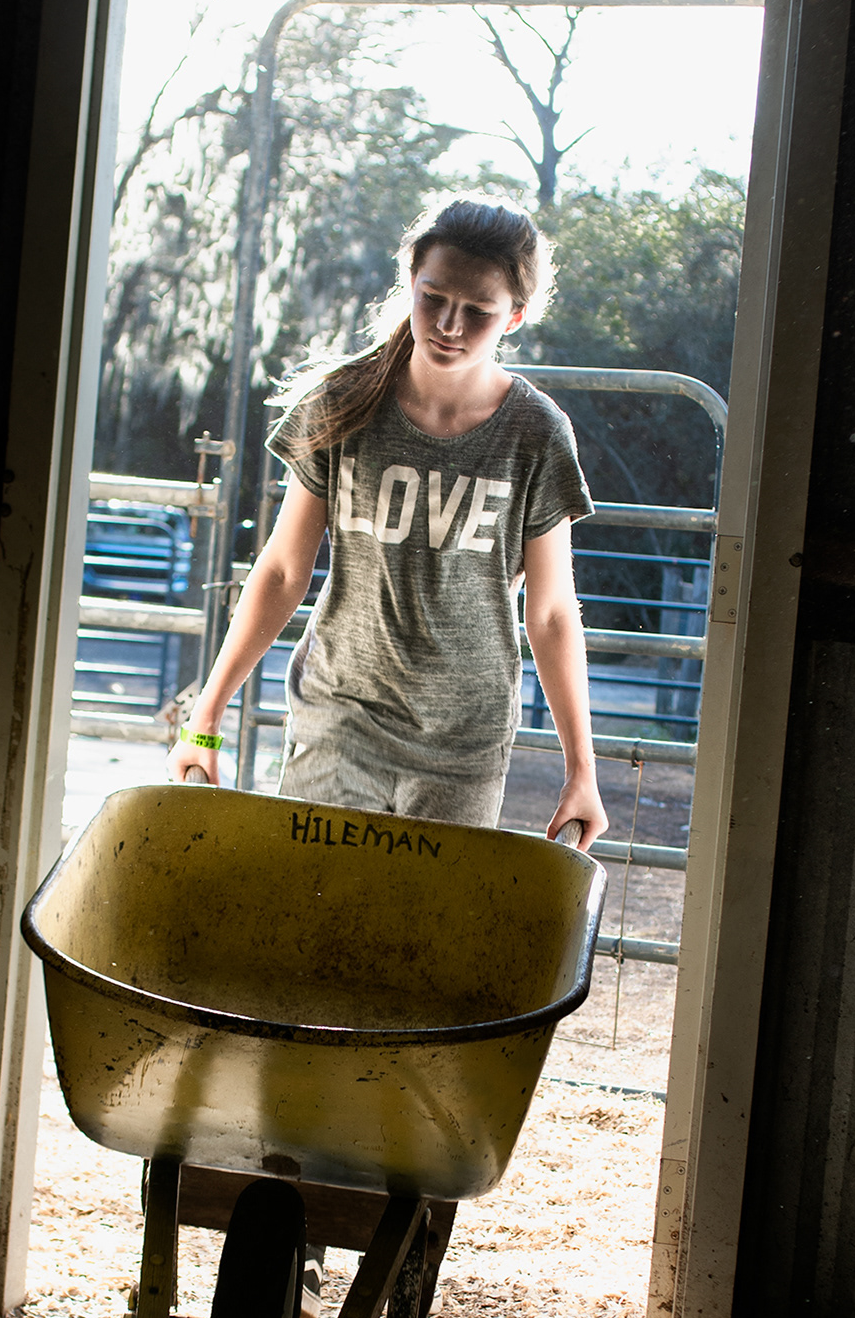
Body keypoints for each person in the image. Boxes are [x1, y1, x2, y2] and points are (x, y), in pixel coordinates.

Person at [168, 195, 609, 849]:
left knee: (416, 938)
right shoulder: (342, 402)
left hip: (465, 739)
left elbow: (550, 613)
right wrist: (206, 713)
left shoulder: (537, 433)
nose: (449, 325)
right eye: (434, 298)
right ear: (409, 280)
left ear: (514, 315)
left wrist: (583, 769)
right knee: (316, 918)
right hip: (342, 715)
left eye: (478, 312)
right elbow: (284, 569)